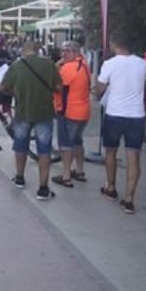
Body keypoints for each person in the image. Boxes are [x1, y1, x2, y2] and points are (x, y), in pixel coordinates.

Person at [93, 35, 146, 214]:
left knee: (110, 152)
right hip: (137, 115)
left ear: (113, 45)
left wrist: (95, 89)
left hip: (115, 114)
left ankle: (110, 188)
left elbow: (99, 90)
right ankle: (129, 199)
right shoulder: (142, 64)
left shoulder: (109, 64)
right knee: (134, 156)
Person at [0, 40, 62, 200]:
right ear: (38, 50)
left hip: (22, 112)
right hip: (45, 113)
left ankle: (19, 178)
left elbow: (2, 87)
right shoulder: (49, 64)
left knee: (20, 146)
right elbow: (59, 87)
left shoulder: (17, 66)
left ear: (24, 50)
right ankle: (43, 188)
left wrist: (16, 92)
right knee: (44, 150)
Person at [52, 41, 92, 187]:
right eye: (62, 51)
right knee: (77, 141)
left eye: (67, 51)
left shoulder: (68, 68)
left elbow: (56, 85)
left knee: (65, 145)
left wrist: (56, 66)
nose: (63, 54)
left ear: (76, 52)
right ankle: (79, 171)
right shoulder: (85, 66)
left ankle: (66, 176)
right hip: (84, 111)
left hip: (68, 111)